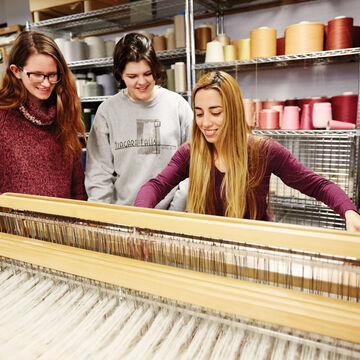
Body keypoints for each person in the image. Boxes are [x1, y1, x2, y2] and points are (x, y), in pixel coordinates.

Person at [135, 71, 360, 232]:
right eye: (200, 113)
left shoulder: (263, 151)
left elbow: (318, 185)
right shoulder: (190, 153)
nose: (205, 122)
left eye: (215, 112)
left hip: (256, 247)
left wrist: (349, 211)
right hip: (210, 247)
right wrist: (139, 218)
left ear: (232, 112)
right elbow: (156, 185)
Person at [85, 32, 192, 209]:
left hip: (172, 215)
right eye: (132, 76)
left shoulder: (178, 106)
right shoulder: (107, 112)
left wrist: (176, 211)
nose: (141, 82)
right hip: (124, 216)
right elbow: (98, 174)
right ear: (120, 75)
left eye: (147, 73)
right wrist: (102, 217)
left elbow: (194, 166)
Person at [0, 31, 87, 200]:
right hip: (13, 225)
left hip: (61, 224)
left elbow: (77, 185)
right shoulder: (3, 118)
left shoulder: (64, 113)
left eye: (52, 75)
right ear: (16, 71)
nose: (46, 83)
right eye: (37, 75)